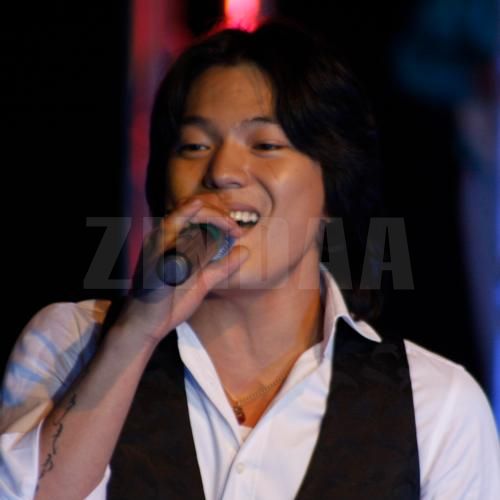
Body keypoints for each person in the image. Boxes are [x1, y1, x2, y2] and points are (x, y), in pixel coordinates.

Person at [1, 19, 499, 500]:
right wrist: (136, 330)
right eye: (194, 145)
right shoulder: (72, 344)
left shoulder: (434, 406)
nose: (221, 171)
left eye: (265, 144)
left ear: (332, 188)